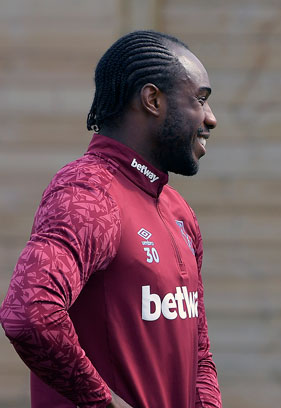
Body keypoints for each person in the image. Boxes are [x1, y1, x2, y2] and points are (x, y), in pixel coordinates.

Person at [0, 30, 222, 407]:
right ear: (153, 100)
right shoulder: (87, 192)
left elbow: (199, 351)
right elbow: (29, 313)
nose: (211, 119)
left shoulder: (178, 210)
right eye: (199, 100)